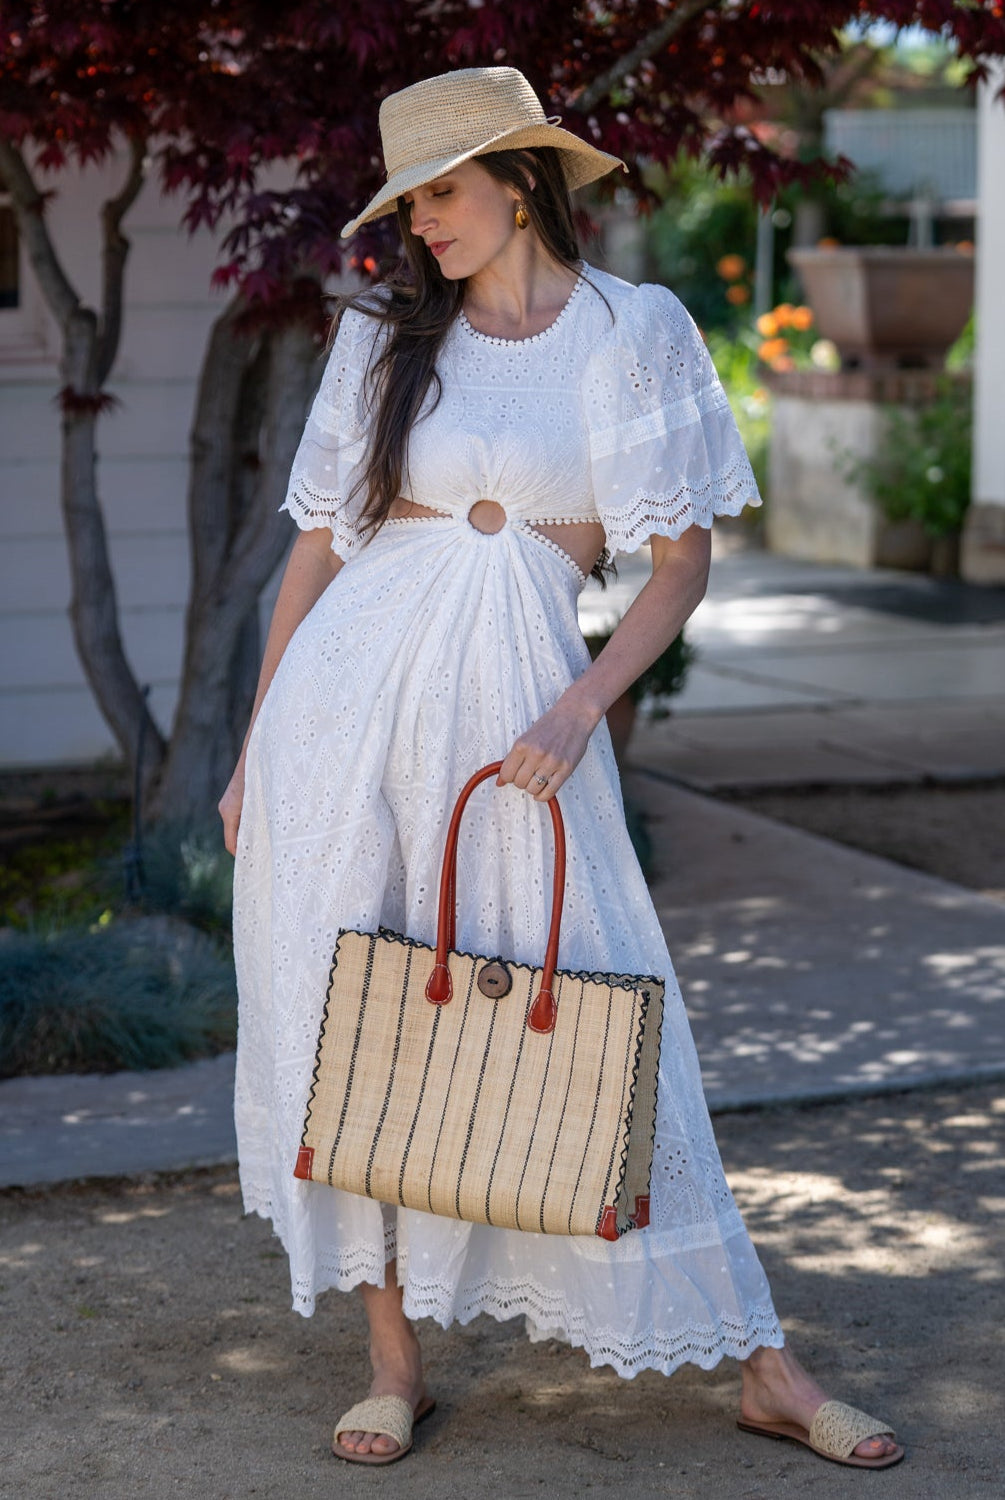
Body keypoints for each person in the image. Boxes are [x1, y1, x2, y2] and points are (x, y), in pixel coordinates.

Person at [219, 66, 903, 1473]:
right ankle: (393, 1361)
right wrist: (250, 752)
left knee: (606, 991)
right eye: (409, 205)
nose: (423, 227)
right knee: (348, 1018)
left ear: (521, 182)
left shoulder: (630, 330)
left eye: (444, 195)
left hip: (524, 717)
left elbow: (681, 561)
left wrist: (581, 708)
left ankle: (762, 1364)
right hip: (340, 718)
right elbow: (313, 547)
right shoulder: (383, 341)